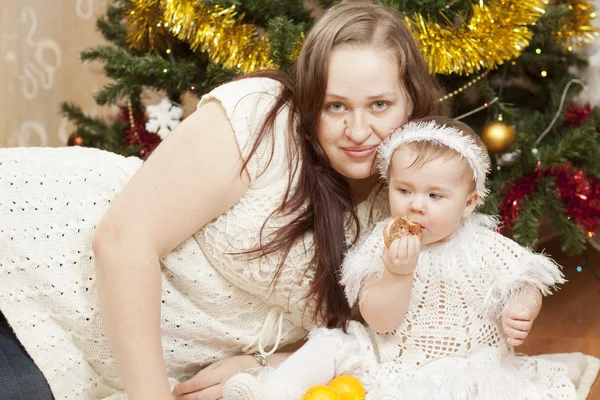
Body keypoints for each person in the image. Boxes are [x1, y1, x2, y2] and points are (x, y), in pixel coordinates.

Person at [0, 1, 440, 399]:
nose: (359, 131)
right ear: (310, 101)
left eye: (379, 105)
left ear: (411, 101)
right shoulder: (263, 117)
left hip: (91, 352)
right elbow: (122, 241)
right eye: (335, 106)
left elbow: (376, 340)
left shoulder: (414, 200)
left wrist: (265, 363)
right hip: (31, 269)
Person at [222, 116, 578, 400]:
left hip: (464, 363)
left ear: (469, 203)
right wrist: (397, 272)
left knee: (459, 387)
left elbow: (525, 278)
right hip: (386, 355)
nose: (416, 204)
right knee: (330, 342)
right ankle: (272, 391)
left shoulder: (483, 246)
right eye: (404, 190)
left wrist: (522, 307)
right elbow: (379, 322)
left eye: (435, 195)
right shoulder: (382, 243)